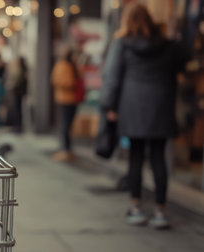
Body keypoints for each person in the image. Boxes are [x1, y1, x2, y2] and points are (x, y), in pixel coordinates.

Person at [101, 2, 187, 229]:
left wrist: (108, 105)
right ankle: (160, 211)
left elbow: (112, 76)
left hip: (132, 108)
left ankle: (136, 208)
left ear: (126, 20)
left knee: (136, 158)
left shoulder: (122, 44)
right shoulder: (167, 45)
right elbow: (181, 66)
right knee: (159, 159)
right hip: (161, 107)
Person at [50, 48, 84, 161]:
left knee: (68, 125)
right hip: (64, 100)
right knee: (65, 125)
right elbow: (58, 80)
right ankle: (65, 149)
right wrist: (72, 82)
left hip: (72, 100)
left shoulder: (73, 66)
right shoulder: (63, 65)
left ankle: (67, 149)